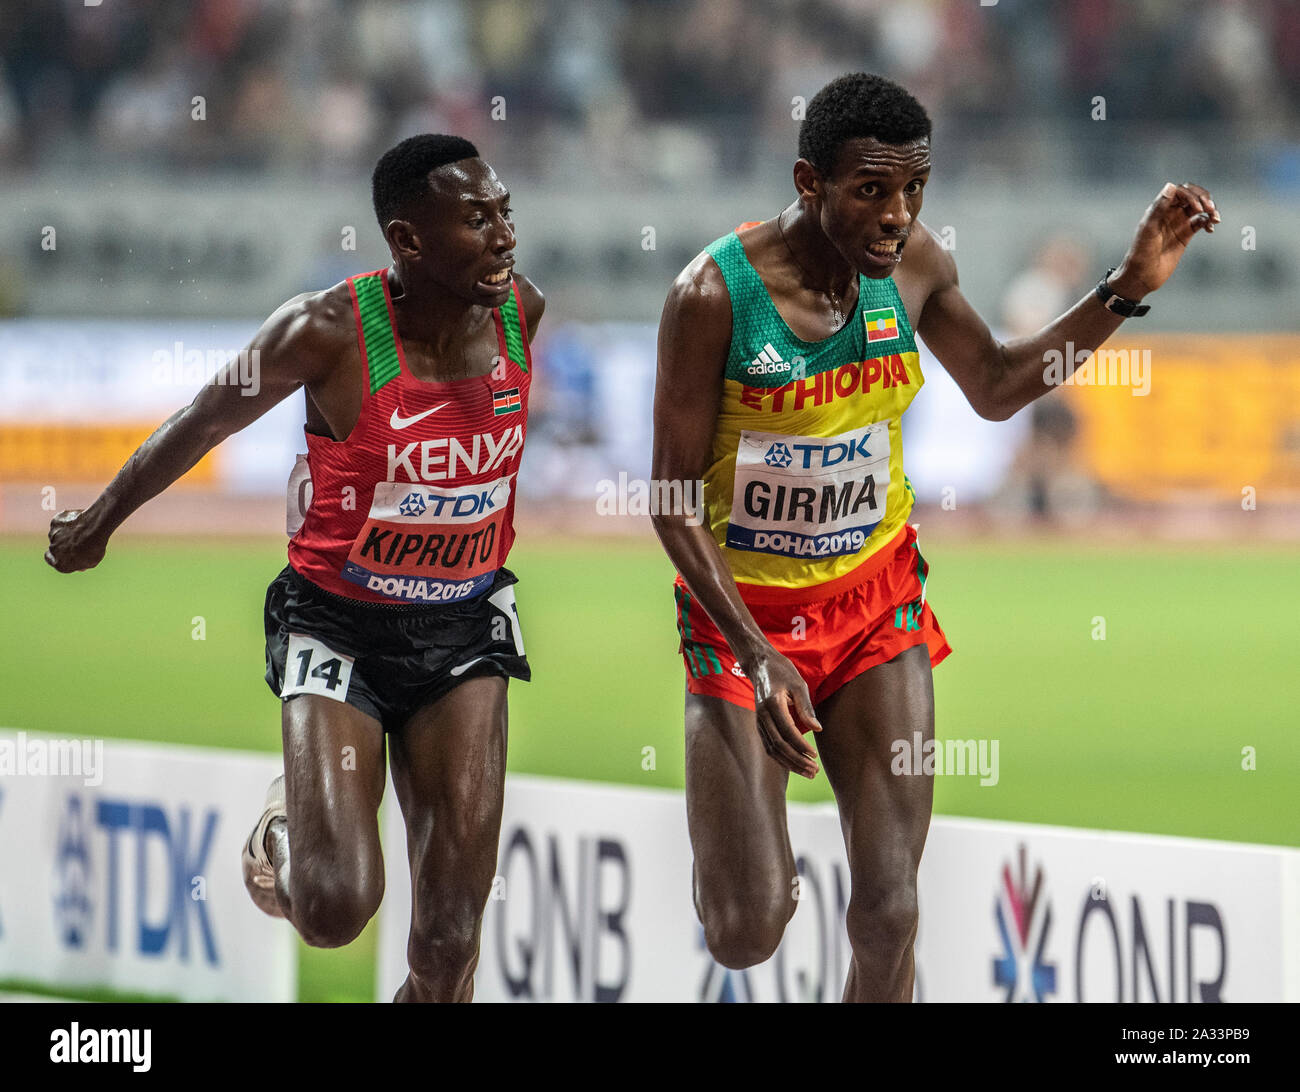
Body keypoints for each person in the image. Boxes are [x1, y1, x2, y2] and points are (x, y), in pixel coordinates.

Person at [650, 73, 1217, 1002]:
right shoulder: (714, 294)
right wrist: (757, 656)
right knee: (745, 929)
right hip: (742, 624)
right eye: (871, 190)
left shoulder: (914, 264)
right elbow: (671, 498)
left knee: (890, 911)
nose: (897, 215)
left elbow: (997, 387)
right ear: (809, 182)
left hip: (875, 607)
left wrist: (1125, 289)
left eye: (915, 189)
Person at [44, 134, 545, 1003]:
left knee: (451, 937)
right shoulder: (325, 331)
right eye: (478, 219)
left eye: (505, 212)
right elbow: (203, 421)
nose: (505, 235)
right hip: (337, 628)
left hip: (463, 628)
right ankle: (282, 827)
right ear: (408, 239)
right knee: (334, 905)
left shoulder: (521, 315)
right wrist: (100, 520)